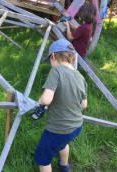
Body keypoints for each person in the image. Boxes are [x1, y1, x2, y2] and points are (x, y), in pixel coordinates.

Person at [33, 39, 88, 172]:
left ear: (53, 56)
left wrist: (39, 102)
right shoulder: (80, 77)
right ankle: (64, 166)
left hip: (58, 129)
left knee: (43, 158)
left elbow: (46, 99)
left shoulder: (56, 71)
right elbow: (84, 105)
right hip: (76, 126)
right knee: (63, 144)